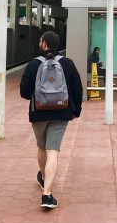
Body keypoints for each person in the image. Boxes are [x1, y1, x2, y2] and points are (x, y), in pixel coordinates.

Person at [20, 31, 83, 209]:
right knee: (53, 150)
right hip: (61, 112)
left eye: (40, 40)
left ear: (44, 43)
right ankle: (47, 195)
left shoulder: (33, 65)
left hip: (38, 112)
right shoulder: (67, 63)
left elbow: (24, 93)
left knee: (42, 147)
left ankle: (42, 176)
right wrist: (76, 110)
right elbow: (77, 89)